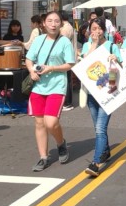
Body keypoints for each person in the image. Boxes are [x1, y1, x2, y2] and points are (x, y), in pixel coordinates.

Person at [25, 11, 75, 172]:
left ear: (61, 24)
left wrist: (52, 68)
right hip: (38, 86)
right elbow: (29, 58)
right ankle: (43, 157)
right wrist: (32, 71)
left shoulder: (65, 42)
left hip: (57, 86)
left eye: (56, 21)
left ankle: (61, 143)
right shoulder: (38, 40)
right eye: (50, 21)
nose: (53, 24)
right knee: (39, 123)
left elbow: (70, 64)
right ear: (44, 24)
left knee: (51, 122)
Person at [79, 17, 121, 176]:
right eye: (93, 28)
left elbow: (122, 67)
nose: (96, 32)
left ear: (104, 30)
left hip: (107, 93)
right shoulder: (86, 45)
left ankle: (96, 162)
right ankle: (106, 152)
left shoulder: (112, 46)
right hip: (92, 93)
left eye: (99, 28)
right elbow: (84, 63)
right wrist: (94, 44)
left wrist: (115, 59)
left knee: (99, 129)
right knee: (98, 127)